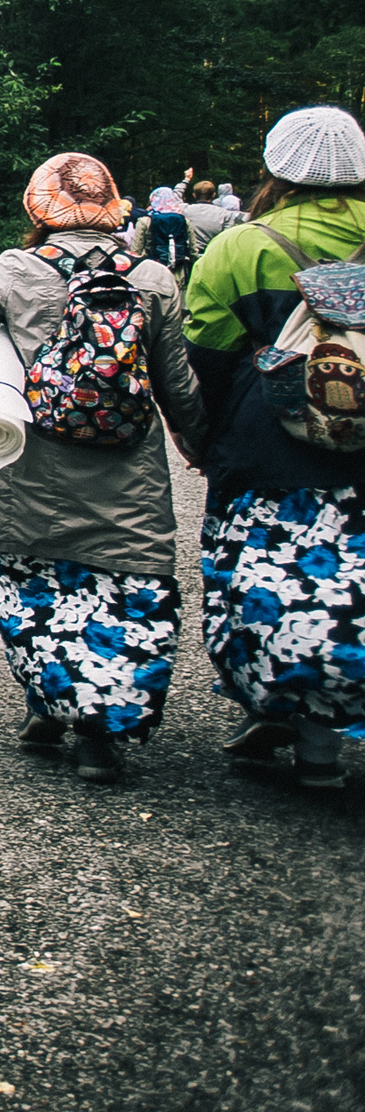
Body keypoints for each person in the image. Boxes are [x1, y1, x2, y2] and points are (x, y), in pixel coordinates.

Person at [0, 153, 207, 783]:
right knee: (122, 593)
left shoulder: (14, 271)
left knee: (37, 590)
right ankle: (99, 733)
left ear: (38, 210)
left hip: (34, 467)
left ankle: (46, 706)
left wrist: (9, 387)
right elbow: (178, 385)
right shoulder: (155, 278)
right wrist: (198, 441)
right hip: (129, 473)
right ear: (115, 209)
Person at [184, 104, 365, 790]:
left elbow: (205, 355)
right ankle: (322, 732)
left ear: (275, 167)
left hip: (269, 440)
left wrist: (200, 436)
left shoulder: (242, 247)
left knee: (268, 581)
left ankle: (279, 705)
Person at [136, 187, 197, 272]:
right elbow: (192, 250)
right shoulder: (184, 221)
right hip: (179, 269)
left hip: (152, 270)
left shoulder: (145, 221)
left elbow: (136, 251)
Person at [181, 179, 239, 253]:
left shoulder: (184, 210)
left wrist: (186, 180)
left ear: (194, 195)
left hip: (189, 254)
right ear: (214, 195)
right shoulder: (224, 214)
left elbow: (176, 197)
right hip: (213, 253)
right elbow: (227, 237)